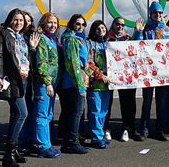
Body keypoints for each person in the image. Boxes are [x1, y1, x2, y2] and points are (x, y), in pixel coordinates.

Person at [0, 8, 38, 166]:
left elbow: (26, 59)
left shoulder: (22, 37)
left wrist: (32, 48)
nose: (19, 23)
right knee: (22, 113)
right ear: (10, 19)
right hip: (11, 79)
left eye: (22, 21)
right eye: (16, 19)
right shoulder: (4, 34)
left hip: (23, 79)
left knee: (15, 115)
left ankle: (14, 149)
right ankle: (9, 155)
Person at [133, 2, 169, 141]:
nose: (158, 15)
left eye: (160, 13)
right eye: (155, 13)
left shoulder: (167, 30)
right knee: (147, 102)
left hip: (163, 72)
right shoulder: (145, 28)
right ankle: (144, 129)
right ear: (150, 14)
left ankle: (160, 130)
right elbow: (136, 45)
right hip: (148, 72)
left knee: (162, 103)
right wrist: (138, 32)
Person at [58, 14, 90, 154]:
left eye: (83, 25)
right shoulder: (71, 39)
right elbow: (73, 64)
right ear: (72, 24)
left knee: (68, 112)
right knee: (76, 113)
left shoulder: (75, 38)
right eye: (78, 24)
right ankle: (72, 142)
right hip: (73, 82)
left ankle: (67, 142)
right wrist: (80, 85)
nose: (81, 27)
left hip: (69, 81)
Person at [106, 17, 141, 142]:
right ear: (113, 25)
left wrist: (137, 32)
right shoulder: (107, 38)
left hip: (126, 76)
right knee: (106, 104)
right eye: (118, 24)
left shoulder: (128, 38)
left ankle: (127, 128)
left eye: (122, 25)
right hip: (109, 76)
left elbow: (138, 47)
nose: (120, 27)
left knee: (128, 104)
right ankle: (106, 128)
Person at [33, 13, 61, 158]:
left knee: (48, 115)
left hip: (52, 83)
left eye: (55, 23)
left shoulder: (53, 40)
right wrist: (48, 82)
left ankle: (47, 144)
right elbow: (42, 62)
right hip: (44, 83)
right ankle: (43, 147)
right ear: (43, 23)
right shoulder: (43, 39)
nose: (53, 25)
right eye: (50, 22)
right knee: (42, 115)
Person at [86, 20, 112, 149]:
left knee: (103, 111)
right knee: (95, 111)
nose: (101, 30)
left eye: (103, 27)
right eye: (98, 28)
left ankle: (100, 134)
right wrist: (100, 75)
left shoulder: (108, 45)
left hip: (107, 84)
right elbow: (89, 63)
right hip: (95, 83)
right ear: (93, 30)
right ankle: (95, 138)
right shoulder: (90, 44)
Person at [18, 11, 40, 155]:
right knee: (22, 112)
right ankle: (21, 142)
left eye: (29, 20)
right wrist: (31, 48)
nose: (27, 23)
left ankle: (32, 140)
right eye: (23, 20)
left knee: (32, 111)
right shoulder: (18, 37)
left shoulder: (36, 36)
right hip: (22, 79)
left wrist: (33, 47)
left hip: (33, 79)